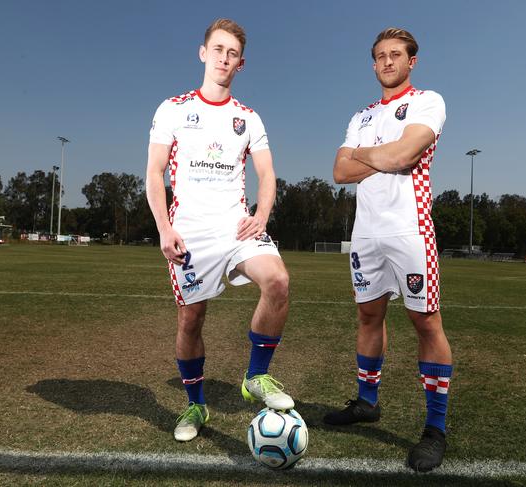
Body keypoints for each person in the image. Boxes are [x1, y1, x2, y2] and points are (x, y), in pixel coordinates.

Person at [146, 18, 293, 443]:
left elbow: (267, 176)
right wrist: (163, 228)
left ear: (240, 64)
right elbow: (154, 173)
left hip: (236, 227)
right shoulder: (171, 109)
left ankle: (256, 377)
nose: (224, 58)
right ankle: (195, 403)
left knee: (278, 281)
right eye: (218, 49)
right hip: (190, 234)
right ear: (203, 52)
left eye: (232, 53)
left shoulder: (248, 118)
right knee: (191, 320)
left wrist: (261, 215)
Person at [324, 27, 452, 473]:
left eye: (395, 55)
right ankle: (366, 401)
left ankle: (435, 427)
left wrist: (366, 155)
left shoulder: (427, 102)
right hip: (366, 233)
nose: (387, 62)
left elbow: (404, 157)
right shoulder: (360, 115)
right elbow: (340, 171)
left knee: (425, 322)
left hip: (409, 230)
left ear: (411, 61)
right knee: (367, 315)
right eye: (379, 56)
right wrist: (382, 152)